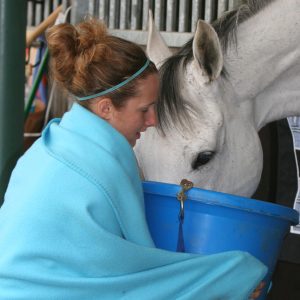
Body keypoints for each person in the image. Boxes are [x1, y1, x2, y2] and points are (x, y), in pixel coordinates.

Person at [0, 18, 267, 299]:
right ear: (106, 109)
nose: (152, 121)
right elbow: (137, 273)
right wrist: (233, 275)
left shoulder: (46, 148)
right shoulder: (104, 163)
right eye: (144, 110)